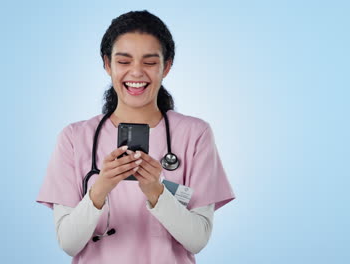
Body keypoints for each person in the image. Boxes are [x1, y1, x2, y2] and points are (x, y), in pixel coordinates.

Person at [36, 10, 236, 264]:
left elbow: (197, 240)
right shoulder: (74, 138)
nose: (137, 72)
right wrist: (101, 188)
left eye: (150, 62)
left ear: (167, 66)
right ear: (107, 64)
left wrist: (156, 191)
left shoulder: (195, 134)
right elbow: (68, 243)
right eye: (124, 61)